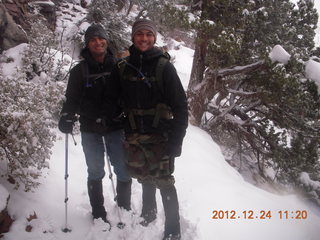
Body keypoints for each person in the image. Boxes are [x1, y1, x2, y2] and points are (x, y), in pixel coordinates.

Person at [105, 19, 188, 240]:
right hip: (133, 136)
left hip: (161, 136)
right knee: (143, 176)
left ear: (154, 38)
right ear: (133, 37)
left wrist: (176, 140)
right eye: (139, 34)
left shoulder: (164, 67)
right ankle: (149, 213)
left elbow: (180, 106)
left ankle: (173, 231)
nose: (144, 38)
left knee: (164, 181)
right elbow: (111, 100)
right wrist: (114, 119)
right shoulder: (122, 68)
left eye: (148, 34)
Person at [58, 23, 132, 227]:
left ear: (106, 41)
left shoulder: (118, 66)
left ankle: (124, 206)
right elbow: (71, 98)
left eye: (101, 38)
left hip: (115, 125)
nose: (98, 42)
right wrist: (66, 115)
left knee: (123, 169)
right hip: (90, 128)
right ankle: (98, 211)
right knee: (95, 170)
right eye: (93, 39)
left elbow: (127, 95)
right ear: (87, 44)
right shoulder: (78, 71)